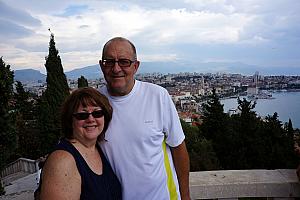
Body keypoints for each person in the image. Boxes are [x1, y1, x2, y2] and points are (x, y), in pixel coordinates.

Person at [99, 37, 191, 200]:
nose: (116, 68)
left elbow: (178, 148)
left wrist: (185, 196)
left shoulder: (158, 96)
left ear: (136, 66)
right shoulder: (94, 103)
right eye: (109, 62)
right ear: (101, 65)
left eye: (124, 62)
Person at [39, 87, 122, 200]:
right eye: (82, 115)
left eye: (97, 113)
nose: (91, 119)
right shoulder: (62, 161)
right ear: (70, 121)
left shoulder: (99, 148)